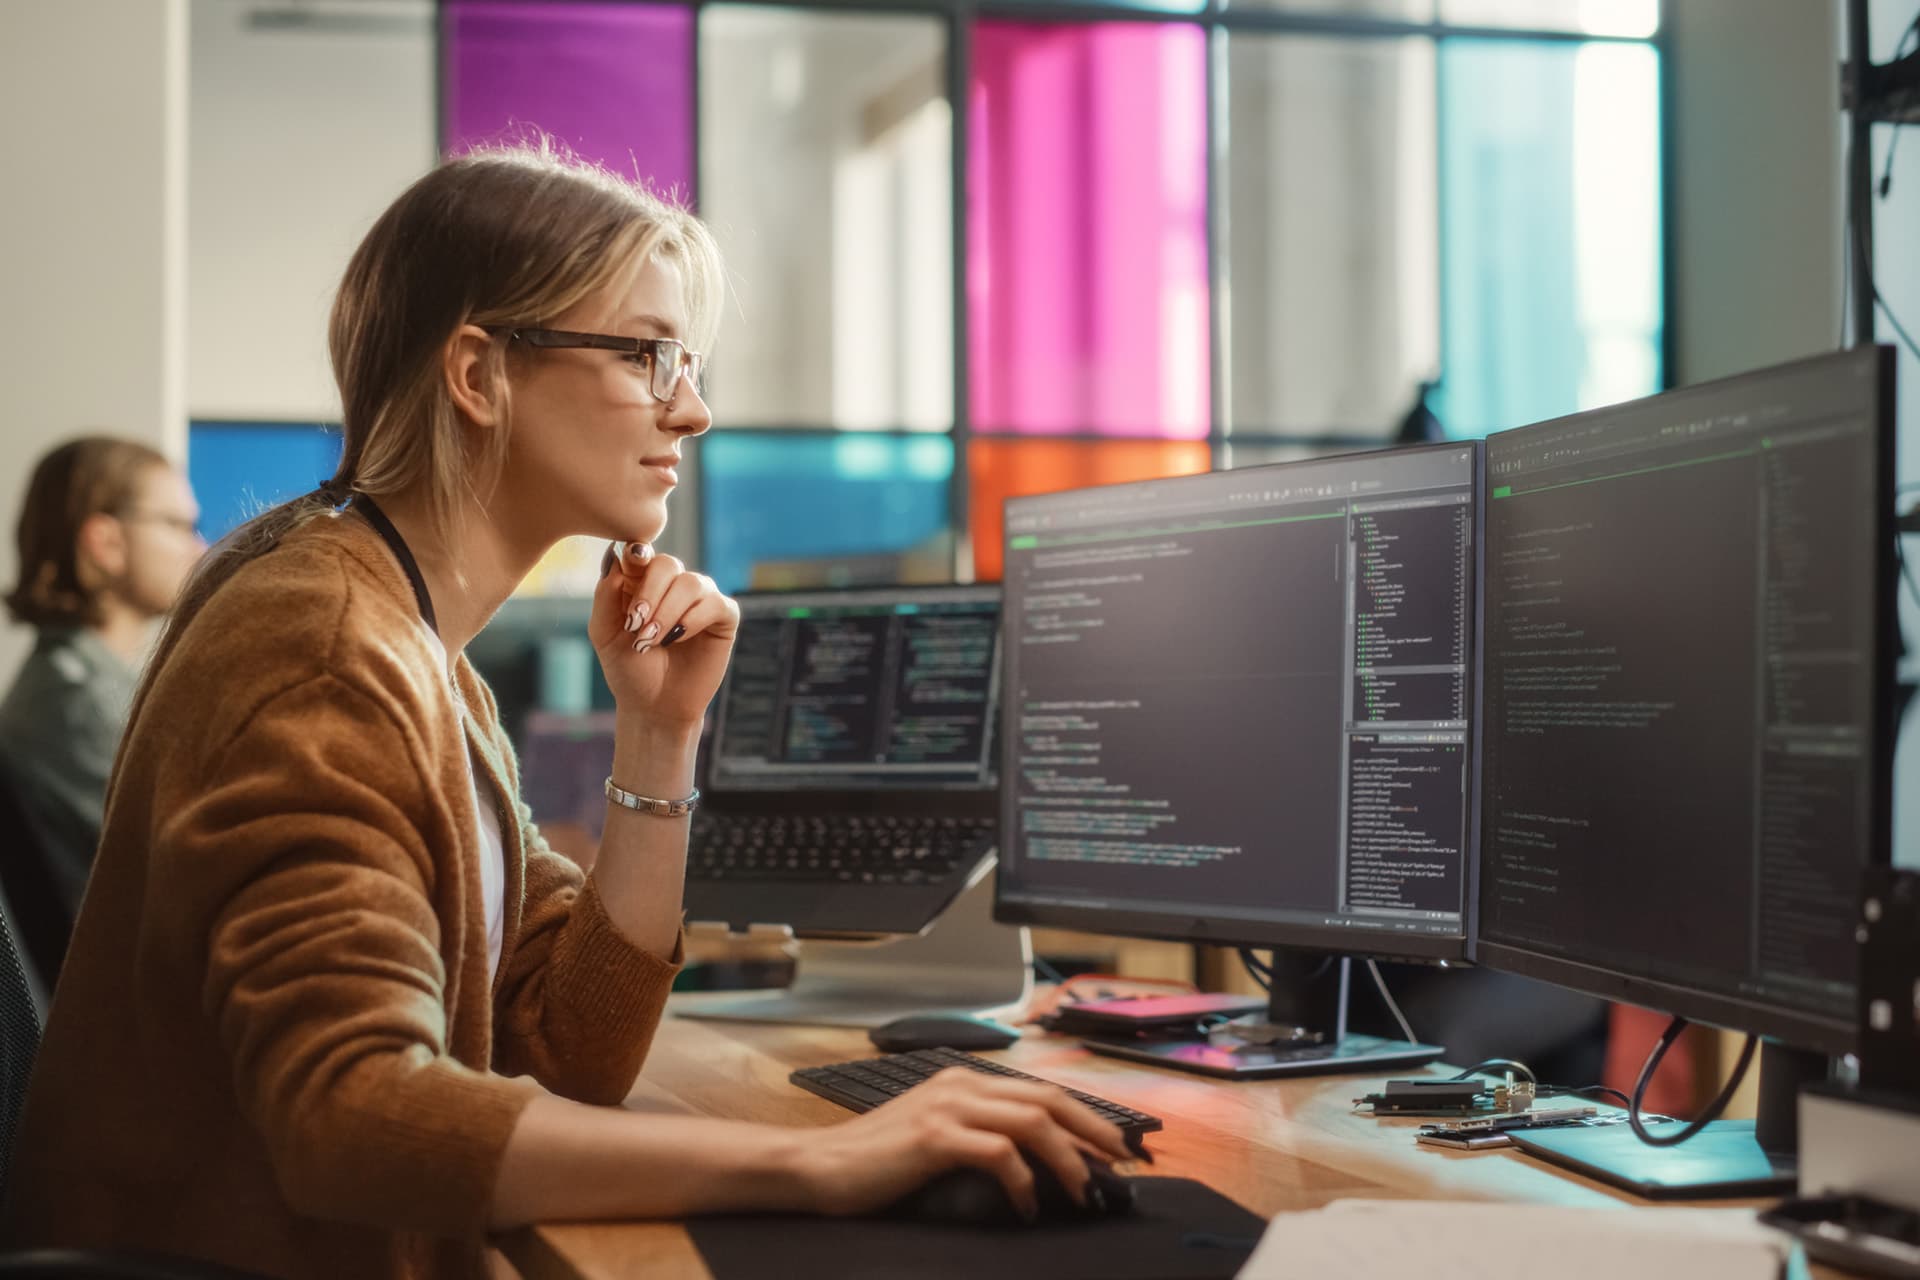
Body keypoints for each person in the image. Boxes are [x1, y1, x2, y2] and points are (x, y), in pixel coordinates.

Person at [0, 145, 1128, 1280]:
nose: (693, 408)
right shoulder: (327, 645)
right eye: (647, 354)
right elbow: (349, 1112)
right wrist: (816, 1166)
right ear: (480, 375)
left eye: (684, 359)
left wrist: (660, 734)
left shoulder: (424, 650)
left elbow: (570, 1041)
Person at [0, 438, 204, 949]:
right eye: (179, 526)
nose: (200, 548)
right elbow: (192, 876)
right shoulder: (75, 705)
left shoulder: (93, 687)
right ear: (105, 542)